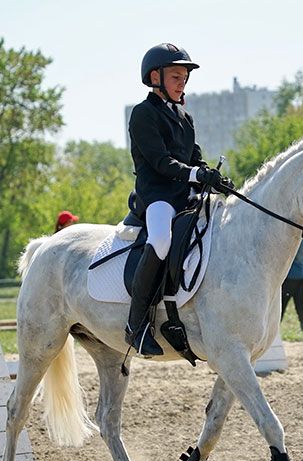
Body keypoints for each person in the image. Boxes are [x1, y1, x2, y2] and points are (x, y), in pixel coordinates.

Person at [124, 43, 235, 356]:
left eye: (184, 77)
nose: (181, 82)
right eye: (176, 76)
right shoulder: (142, 114)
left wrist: (211, 176)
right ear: (155, 77)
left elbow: (194, 157)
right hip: (157, 195)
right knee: (160, 240)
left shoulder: (185, 116)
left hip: (185, 195)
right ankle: (136, 323)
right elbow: (161, 163)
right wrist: (195, 176)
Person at [281, 237, 303, 330]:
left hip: (292, 275)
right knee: (299, 301)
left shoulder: (294, 240)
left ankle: (276, 325)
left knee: (283, 302)